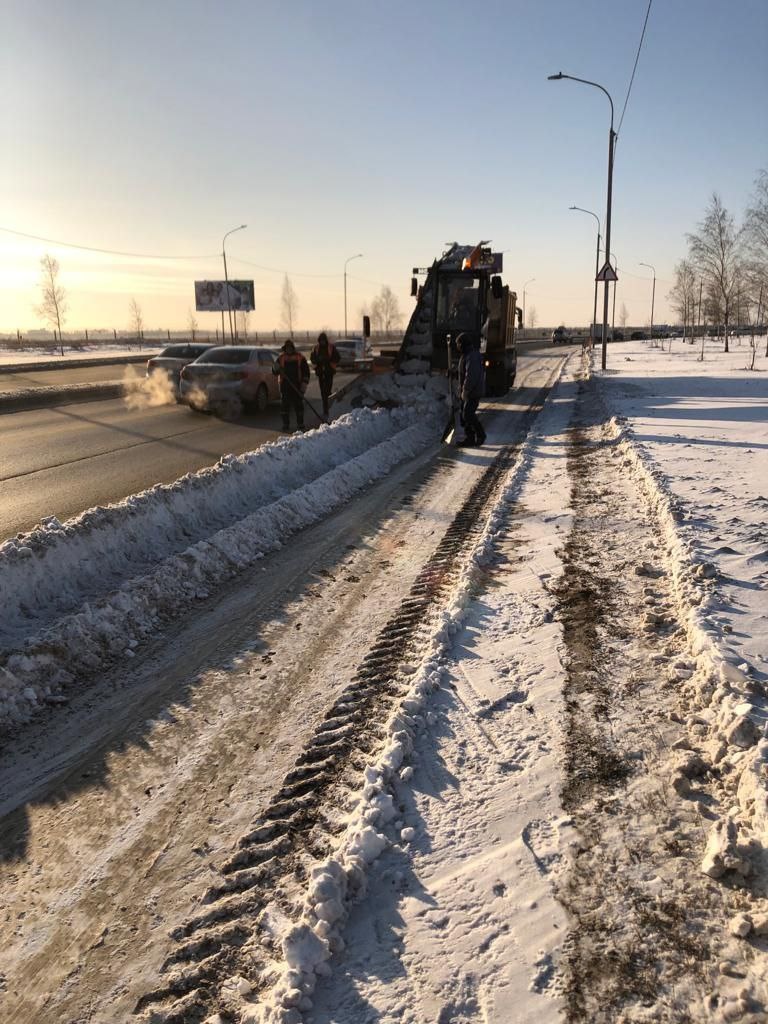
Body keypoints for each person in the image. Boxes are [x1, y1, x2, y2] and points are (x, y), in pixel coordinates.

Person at [273, 338, 310, 431]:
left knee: (299, 407)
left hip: (297, 386)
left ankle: (300, 425)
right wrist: (275, 368)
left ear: (293, 348)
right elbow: (274, 372)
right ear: (285, 349)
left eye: (290, 348)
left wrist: (303, 387)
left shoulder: (300, 357)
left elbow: (306, 373)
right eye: (287, 348)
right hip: (285, 387)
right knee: (284, 408)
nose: (289, 350)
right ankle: (286, 425)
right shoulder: (281, 358)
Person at [456, 333, 486, 447]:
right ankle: (470, 438)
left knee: (468, 414)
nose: (457, 346)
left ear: (463, 344)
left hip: (473, 391)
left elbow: (471, 376)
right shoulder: (466, 355)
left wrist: (466, 390)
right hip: (469, 391)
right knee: (464, 416)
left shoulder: (472, 356)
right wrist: (453, 373)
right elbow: (463, 372)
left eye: (458, 344)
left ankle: (481, 435)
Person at [310, 332, 340, 418]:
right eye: (321, 340)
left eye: (323, 340)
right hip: (320, 373)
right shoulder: (316, 348)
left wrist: (328, 360)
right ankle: (325, 411)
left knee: (327, 392)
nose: (322, 342)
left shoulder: (331, 347)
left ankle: (330, 408)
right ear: (319, 341)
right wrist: (318, 360)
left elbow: (337, 357)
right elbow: (312, 358)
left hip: (329, 373)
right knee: (323, 393)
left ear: (325, 340)